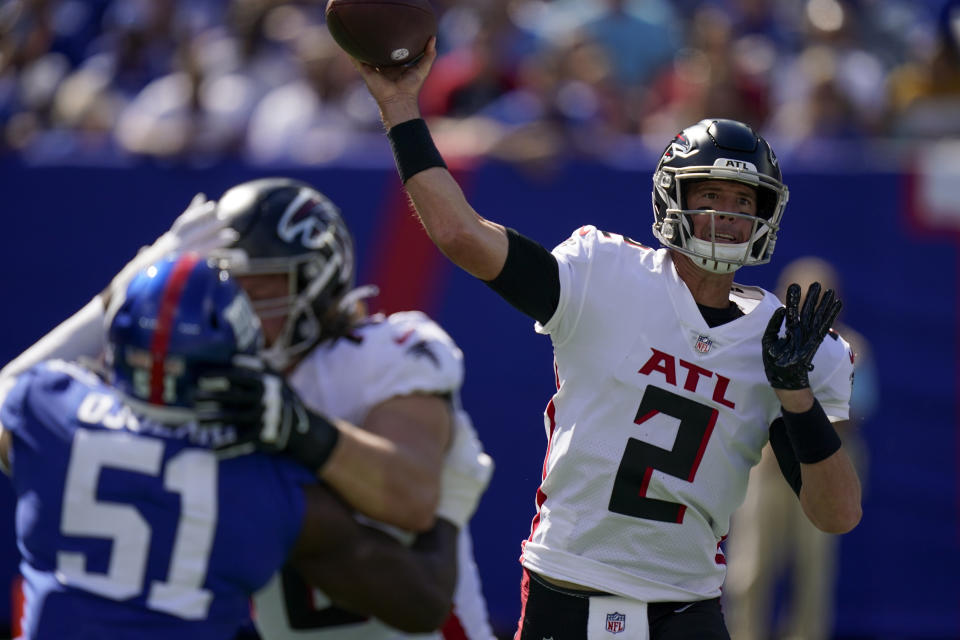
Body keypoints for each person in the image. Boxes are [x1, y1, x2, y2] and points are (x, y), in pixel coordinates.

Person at [345, 39, 862, 639]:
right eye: (710, 196)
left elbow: (837, 514)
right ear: (674, 200)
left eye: (743, 201)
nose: (726, 215)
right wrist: (400, 105)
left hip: (686, 606)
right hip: (565, 587)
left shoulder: (782, 343)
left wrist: (796, 396)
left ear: (766, 215)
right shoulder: (605, 276)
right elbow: (462, 235)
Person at [0, 178, 496, 640]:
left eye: (255, 287)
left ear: (316, 280)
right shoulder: (198, 376)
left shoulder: (382, 354)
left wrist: (301, 430)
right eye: (223, 284)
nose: (231, 305)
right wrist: (124, 290)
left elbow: (409, 498)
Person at [724, 256, 878, 640]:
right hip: (768, 467)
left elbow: (859, 408)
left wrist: (801, 408)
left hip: (827, 468)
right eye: (801, 294)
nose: (809, 304)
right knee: (751, 569)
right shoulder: (763, 341)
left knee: (813, 573)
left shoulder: (851, 348)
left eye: (820, 296)